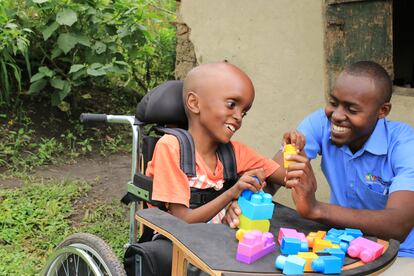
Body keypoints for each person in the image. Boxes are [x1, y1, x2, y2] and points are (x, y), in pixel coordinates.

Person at [146, 62, 285, 225]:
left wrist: (291, 146)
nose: (239, 117)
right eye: (231, 104)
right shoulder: (172, 148)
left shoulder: (234, 152)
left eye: (244, 112)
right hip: (176, 243)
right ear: (194, 103)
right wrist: (232, 193)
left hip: (215, 241)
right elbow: (182, 222)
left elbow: (285, 177)